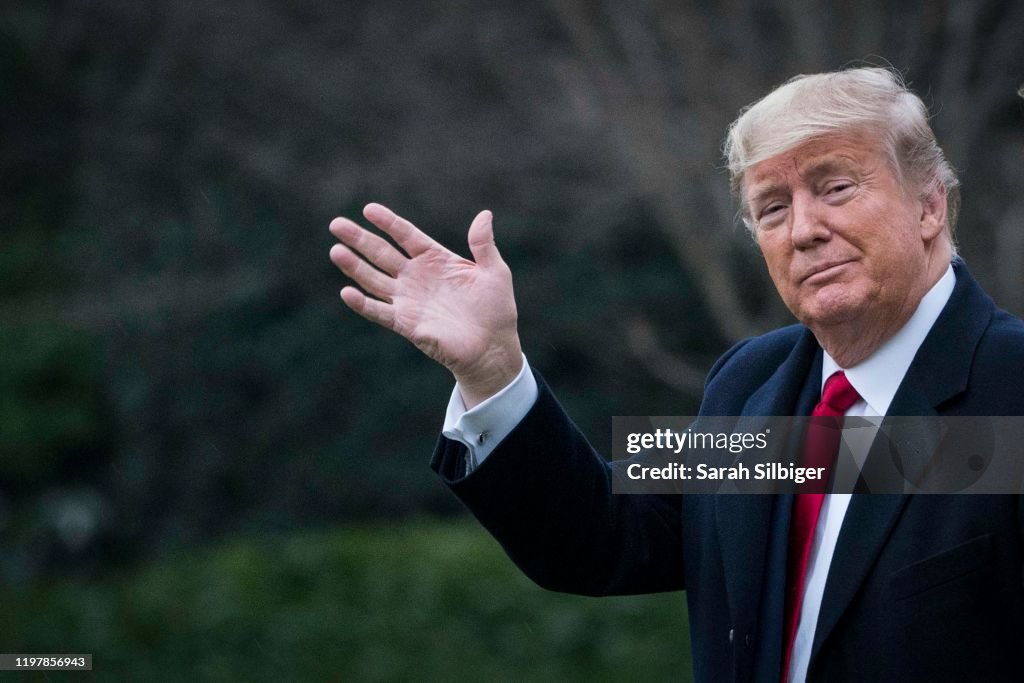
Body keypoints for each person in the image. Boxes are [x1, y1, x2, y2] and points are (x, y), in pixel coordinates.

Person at [328, 67, 1024, 682]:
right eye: (773, 208)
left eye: (836, 187)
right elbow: (607, 534)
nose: (804, 228)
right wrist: (493, 370)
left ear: (930, 205)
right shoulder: (751, 385)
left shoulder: (1009, 387)